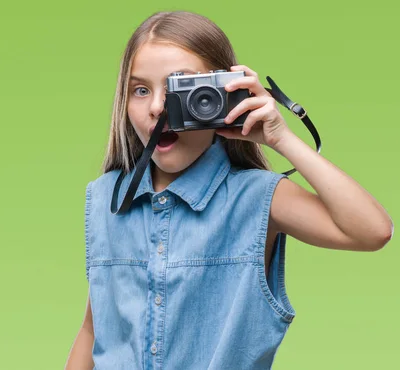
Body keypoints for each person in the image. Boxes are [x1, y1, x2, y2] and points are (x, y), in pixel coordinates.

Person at [65, 10, 393, 370]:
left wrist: (281, 139)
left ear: (222, 95)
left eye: (179, 88)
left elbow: (372, 231)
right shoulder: (106, 198)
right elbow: (93, 331)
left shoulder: (256, 199)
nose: (158, 107)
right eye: (140, 90)